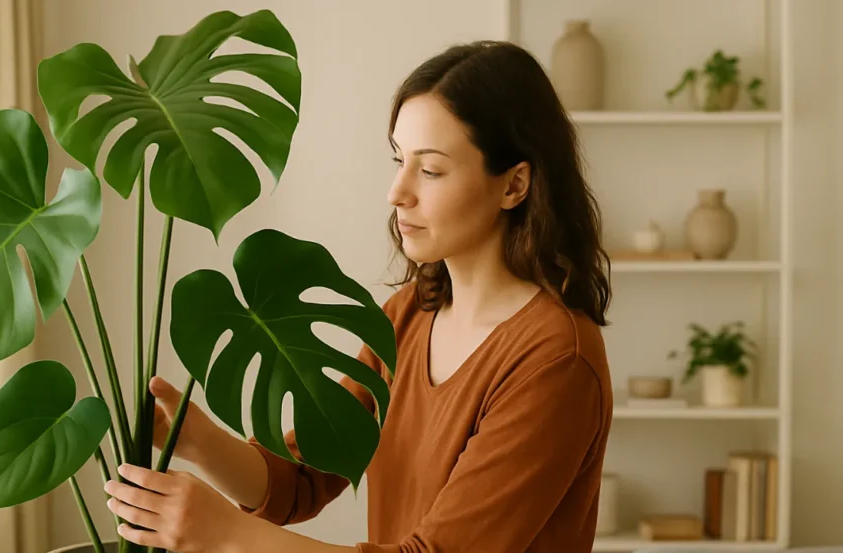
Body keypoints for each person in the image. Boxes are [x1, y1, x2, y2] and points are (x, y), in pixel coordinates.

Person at [103, 39, 614, 553]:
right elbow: (305, 477)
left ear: (514, 185)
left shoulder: (556, 360)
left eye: (430, 169)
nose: (397, 191)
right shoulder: (409, 314)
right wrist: (196, 439)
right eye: (399, 160)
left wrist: (226, 535)